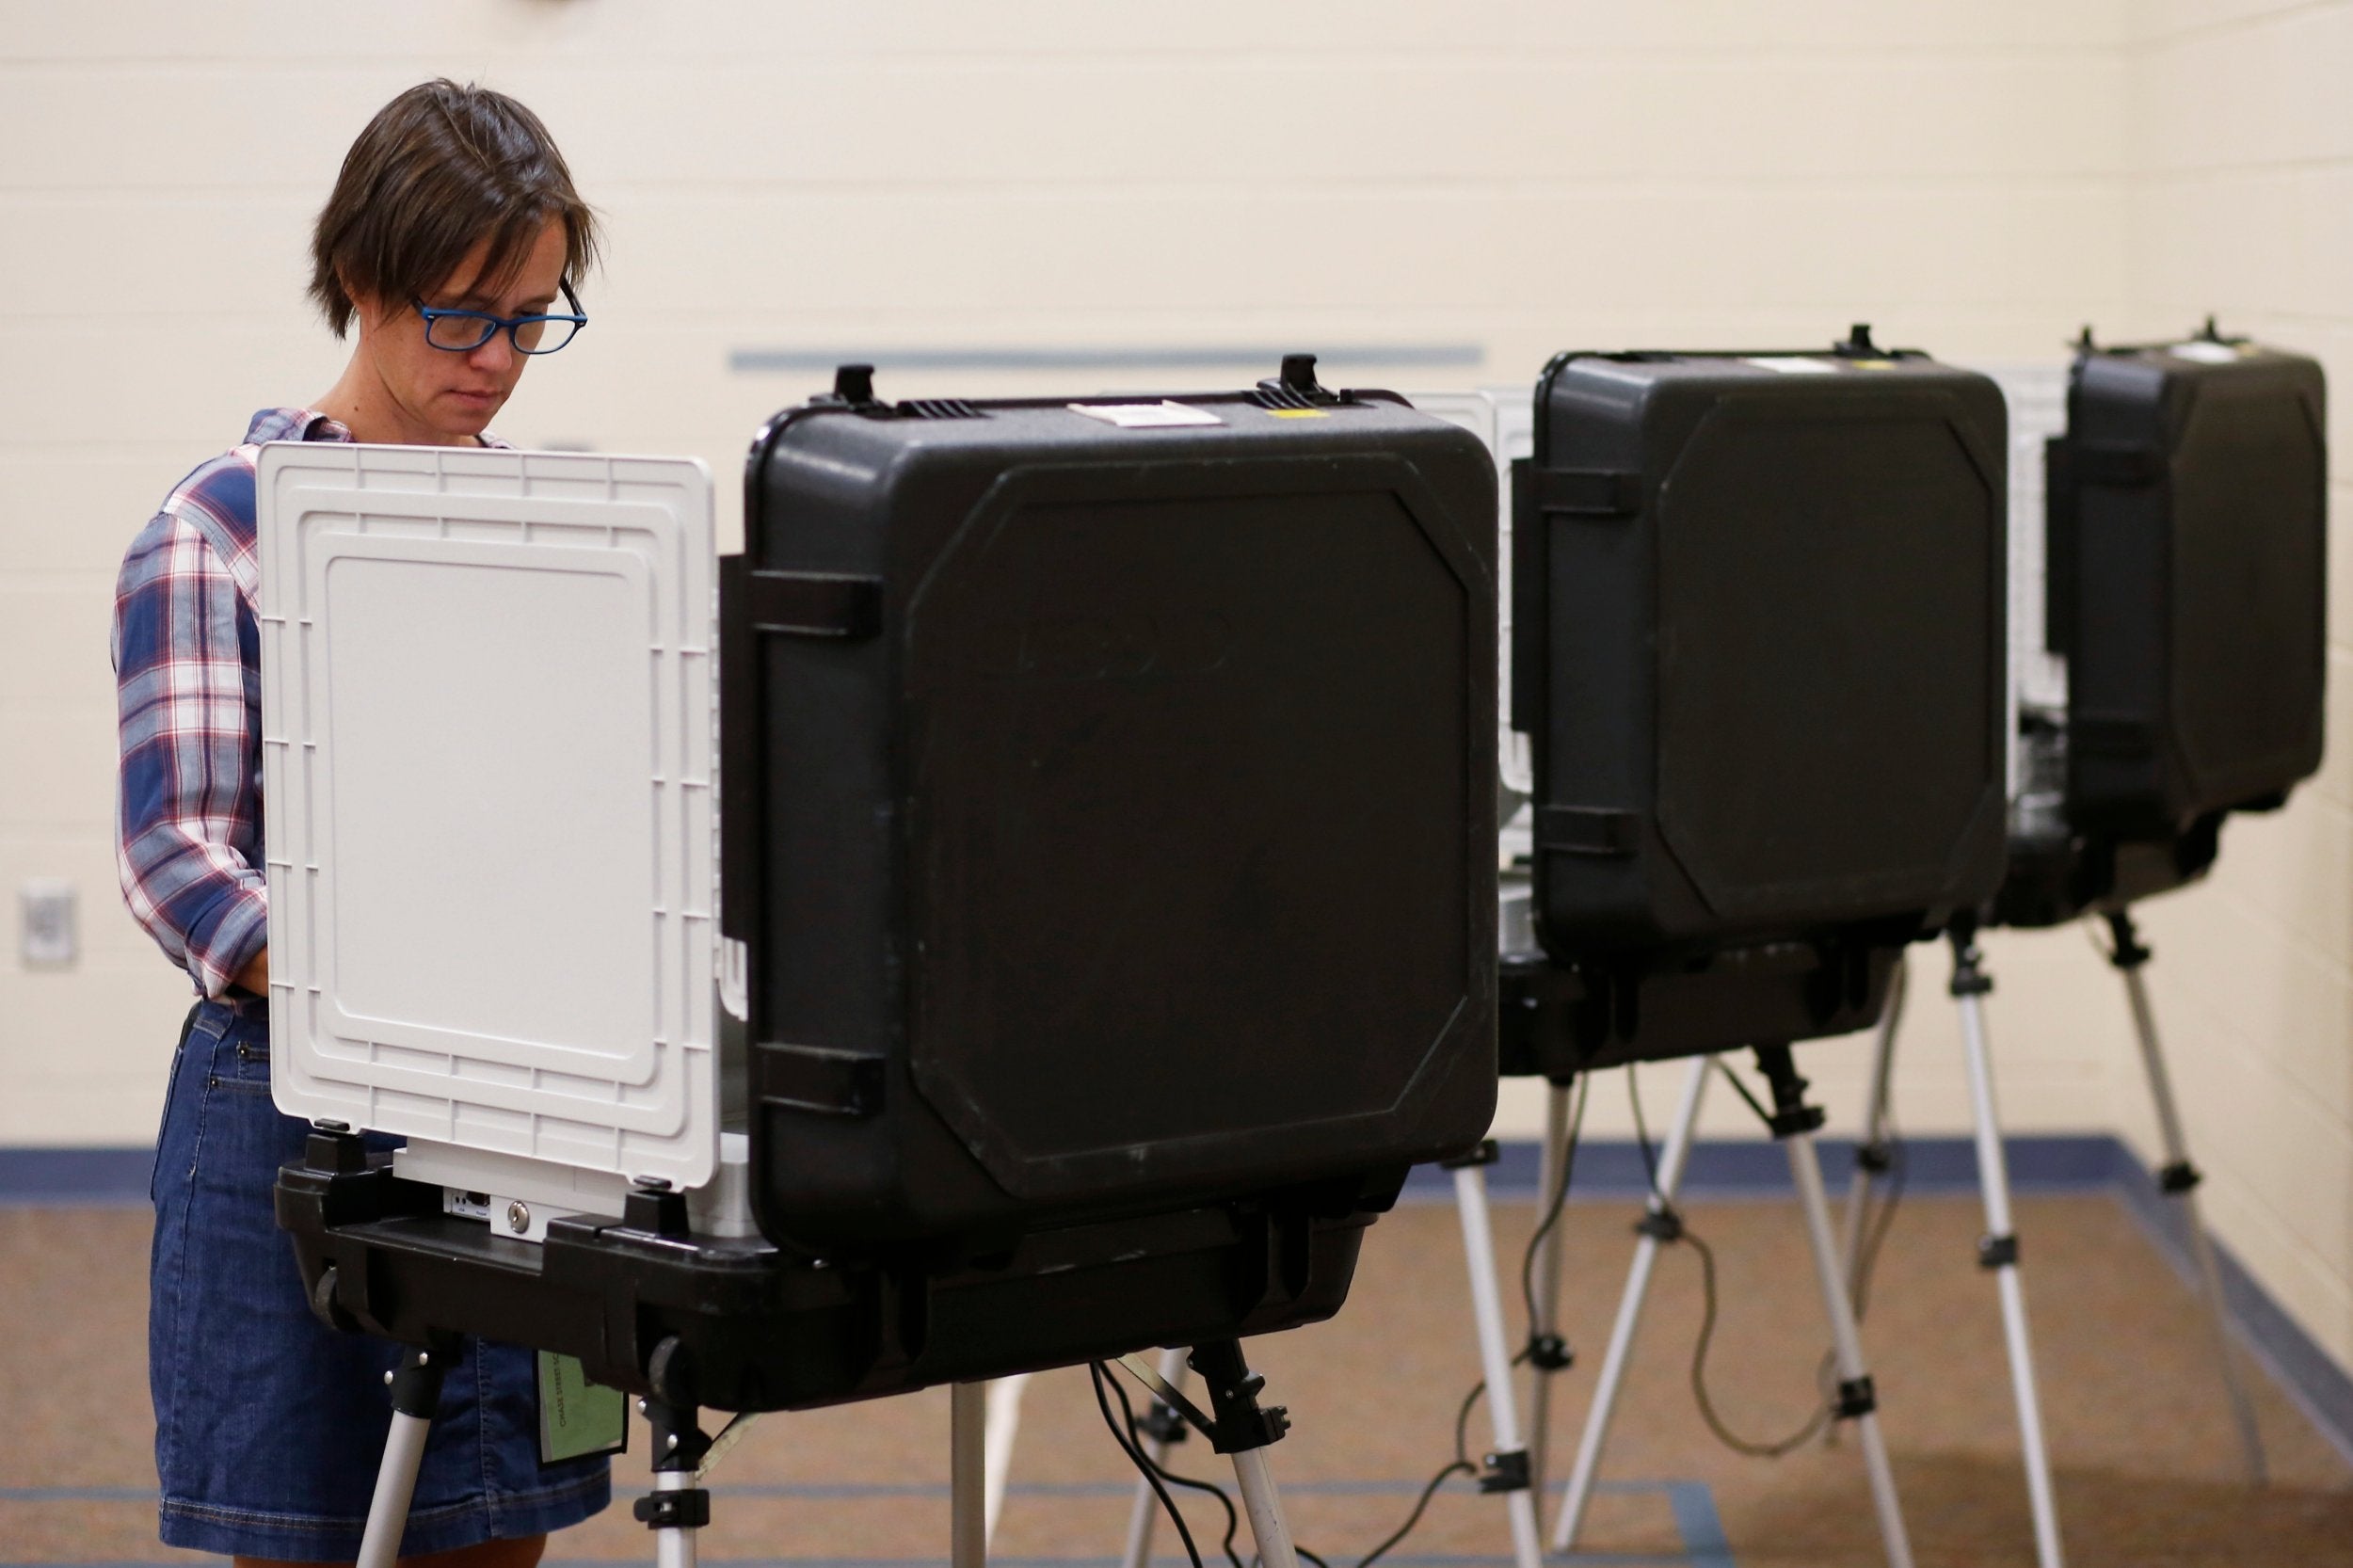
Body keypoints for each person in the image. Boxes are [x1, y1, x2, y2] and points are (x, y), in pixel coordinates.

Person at [114, 80, 605, 1567]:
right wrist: (393, 979)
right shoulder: (219, 528)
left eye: (534, 316)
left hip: (527, 1122)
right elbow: (181, 863)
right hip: (295, 1114)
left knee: (504, 1525)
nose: (502, 359)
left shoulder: (566, 538)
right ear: (364, 280)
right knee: (311, 1538)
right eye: (467, 315)